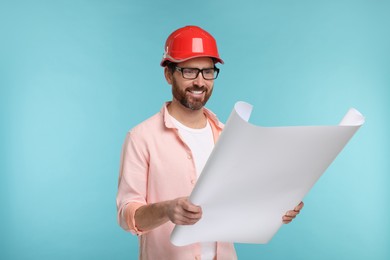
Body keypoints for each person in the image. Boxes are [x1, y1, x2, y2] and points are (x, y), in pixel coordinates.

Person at [116, 25, 304, 260]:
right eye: (189, 71)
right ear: (168, 74)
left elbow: (242, 201)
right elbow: (127, 216)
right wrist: (167, 210)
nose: (200, 82)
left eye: (207, 72)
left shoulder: (229, 136)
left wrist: (277, 208)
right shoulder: (141, 137)